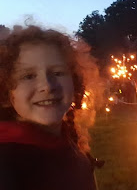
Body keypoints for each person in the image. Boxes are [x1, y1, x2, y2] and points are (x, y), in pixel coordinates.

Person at [0, 24, 104, 190]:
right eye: (28, 76)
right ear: (6, 92)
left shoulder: (73, 148)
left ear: (75, 83)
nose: (47, 86)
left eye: (57, 73)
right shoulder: (6, 166)